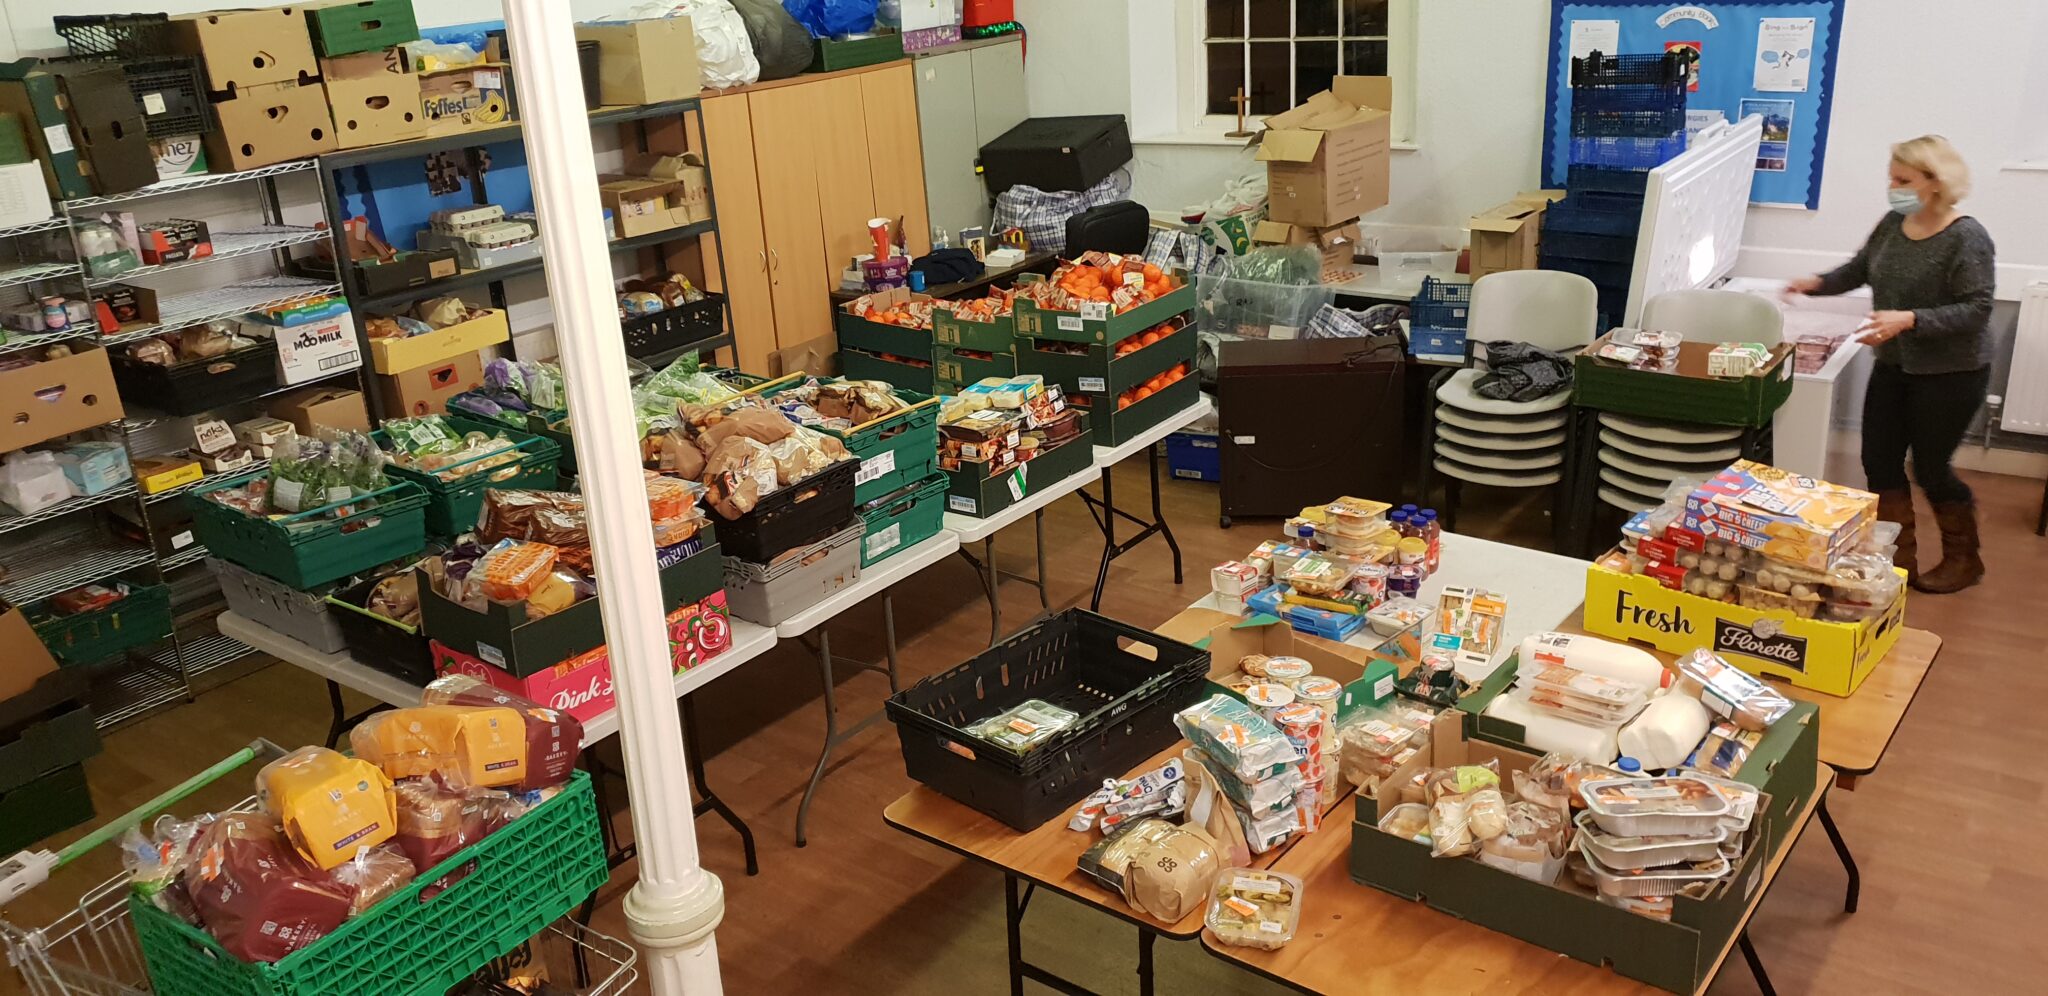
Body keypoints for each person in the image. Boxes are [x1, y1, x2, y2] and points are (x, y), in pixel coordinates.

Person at [1787, 135, 1995, 594]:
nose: (1893, 186)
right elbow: (1860, 269)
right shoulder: (1893, 222)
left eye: (1903, 179)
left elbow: (1977, 309)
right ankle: (1895, 563)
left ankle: (1965, 559)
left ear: (1936, 183)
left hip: (1951, 373)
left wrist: (1910, 319)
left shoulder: (1966, 237)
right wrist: (1815, 284)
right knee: (1878, 461)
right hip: (1894, 365)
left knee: (1931, 469)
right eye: (1892, 177)